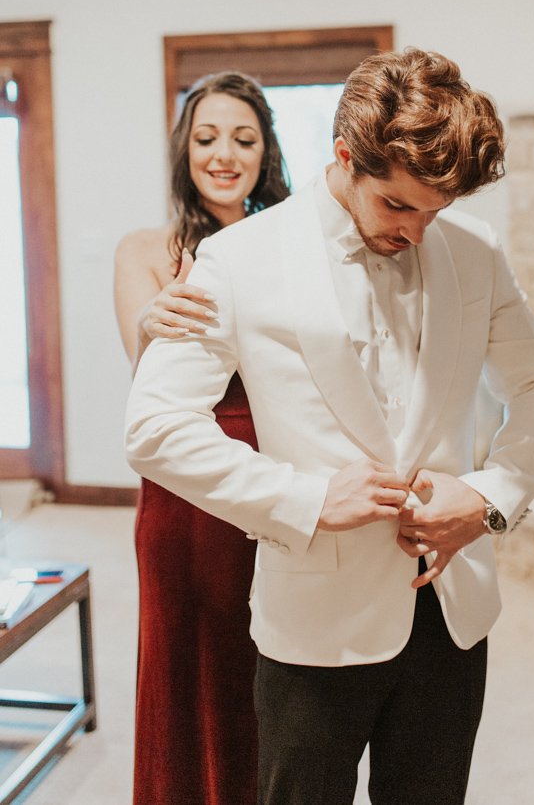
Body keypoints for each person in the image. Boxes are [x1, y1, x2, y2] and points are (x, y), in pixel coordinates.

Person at [125, 48, 534, 805]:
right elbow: (155, 427)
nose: (421, 232)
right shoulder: (235, 259)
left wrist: (492, 495)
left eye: (439, 211)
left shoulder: (476, 251)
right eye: (399, 206)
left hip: (451, 613)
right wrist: (304, 500)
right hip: (314, 622)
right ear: (344, 157)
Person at [114, 71, 289, 805]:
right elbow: (143, 377)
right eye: (207, 137)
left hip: (277, 476)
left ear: (264, 153)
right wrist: (155, 324)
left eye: (243, 139)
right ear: (185, 150)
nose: (224, 154)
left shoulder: (287, 244)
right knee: (185, 670)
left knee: (268, 670)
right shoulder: (145, 249)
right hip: (186, 493)